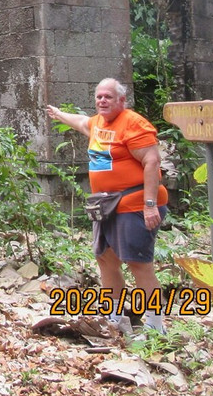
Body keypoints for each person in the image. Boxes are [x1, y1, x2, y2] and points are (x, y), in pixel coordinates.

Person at [47, 78, 169, 333]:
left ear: (121, 101)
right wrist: (58, 114)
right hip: (106, 205)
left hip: (134, 204)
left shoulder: (134, 124)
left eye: (108, 97)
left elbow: (152, 161)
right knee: (105, 259)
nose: (102, 101)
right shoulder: (98, 123)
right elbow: (81, 122)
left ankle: (156, 324)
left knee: (138, 263)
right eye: (99, 97)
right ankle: (113, 316)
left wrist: (149, 205)